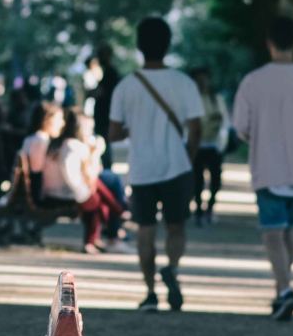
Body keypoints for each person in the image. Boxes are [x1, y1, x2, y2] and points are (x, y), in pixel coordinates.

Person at [233, 15, 293, 321]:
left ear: (269, 43)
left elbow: (240, 127)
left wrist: (259, 136)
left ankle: (286, 289)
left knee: (272, 233)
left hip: (267, 166)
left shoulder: (253, 81)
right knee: (288, 231)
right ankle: (281, 290)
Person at [107, 16, 205, 310]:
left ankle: (150, 293)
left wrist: (135, 125)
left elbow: (113, 133)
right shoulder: (184, 82)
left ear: (139, 46)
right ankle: (172, 268)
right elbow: (196, 128)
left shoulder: (126, 86)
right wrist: (187, 157)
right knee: (176, 226)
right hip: (177, 166)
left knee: (145, 231)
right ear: (168, 45)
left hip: (142, 169)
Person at [51, 108, 125, 251]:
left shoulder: (62, 143)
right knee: (97, 196)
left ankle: (117, 214)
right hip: (70, 193)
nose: (90, 132)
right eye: (88, 128)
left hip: (64, 190)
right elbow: (91, 175)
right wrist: (96, 153)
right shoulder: (74, 146)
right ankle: (117, 215)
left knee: (100, 191)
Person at [191, 69, 230, 225]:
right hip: (197, 145)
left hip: (214, 145)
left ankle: (210, 208)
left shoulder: (216, 99)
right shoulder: (191, 100)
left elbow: (225, 121)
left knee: (215, 180)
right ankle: (199, 210)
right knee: (197, 180)